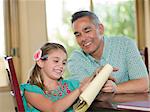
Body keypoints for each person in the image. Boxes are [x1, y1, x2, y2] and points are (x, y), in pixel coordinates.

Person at [67, 10, 149, 94]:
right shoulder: (75, 60)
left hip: (128, 105)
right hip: (95, 107)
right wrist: (96, 77)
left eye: (87, 31)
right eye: (78, 35)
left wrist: (116, 88)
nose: (83, 38)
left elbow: (144, 84)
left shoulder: (125, 44)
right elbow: (84, 90)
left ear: (100, 29)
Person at [20, 42, 91, 112]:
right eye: (56, 61)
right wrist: (79, 90)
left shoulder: (72, 85)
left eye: (64, 63)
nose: (61, 66)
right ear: (40, 62)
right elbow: (53, 109)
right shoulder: (30, 91)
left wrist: (95, 75)